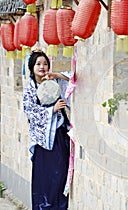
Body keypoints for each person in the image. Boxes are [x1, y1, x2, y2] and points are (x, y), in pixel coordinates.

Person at [23, 50, 71, 210]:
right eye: (38, 64)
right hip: (42, 141)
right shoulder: (30, 89)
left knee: (60, 175)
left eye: (45, 64)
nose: (42, 67)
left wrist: (56, 75)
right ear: (32, 67)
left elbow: (73, 80)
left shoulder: (53, 81)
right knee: (45, 178)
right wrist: (52, 110)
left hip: (58, 135)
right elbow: (30, 111)